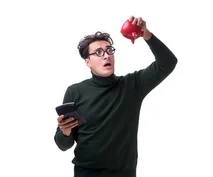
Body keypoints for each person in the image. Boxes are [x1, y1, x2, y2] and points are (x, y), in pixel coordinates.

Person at [53, 16, 178, 177]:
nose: (106, 55)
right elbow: (63, 145)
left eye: (109, 50)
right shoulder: (75, 91)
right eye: (98, 52)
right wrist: (65, 132)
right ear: (88, 62)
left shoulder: (132, 85)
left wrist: (146, 34)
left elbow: (168, 62)